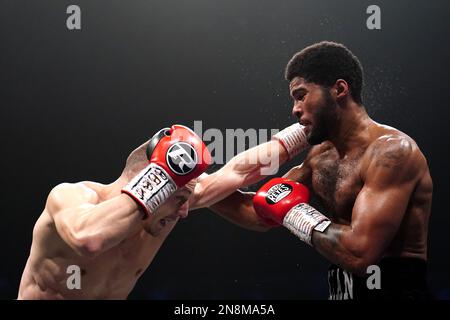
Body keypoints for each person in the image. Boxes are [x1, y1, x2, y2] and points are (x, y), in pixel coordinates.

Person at [211, 41, 434, 300]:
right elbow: (260, 211)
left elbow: (360, 254)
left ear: (339, 89)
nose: (295, 109)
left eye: (301, 95)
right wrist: (192, 183)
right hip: (340, 291)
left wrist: (294, 213)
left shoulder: (393, 152)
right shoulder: (320, 156)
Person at [18, 123, 295, 299]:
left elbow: (239, 171)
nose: (185, 211)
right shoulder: (72, 196)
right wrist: (159, 180)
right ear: (149, 182)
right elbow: (88, 239)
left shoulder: (172, 204)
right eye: (179, 198)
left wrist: (308, 130)